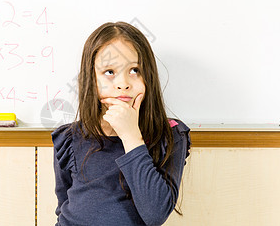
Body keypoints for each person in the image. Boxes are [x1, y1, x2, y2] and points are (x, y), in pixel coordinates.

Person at [52, 22, 191, 226]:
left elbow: (156, 214)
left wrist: (131, 135)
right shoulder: (69, 138)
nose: (123, 83)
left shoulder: (170, 135)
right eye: (109, 72)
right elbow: (63, 203)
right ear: (91, 79)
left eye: (134, 70)